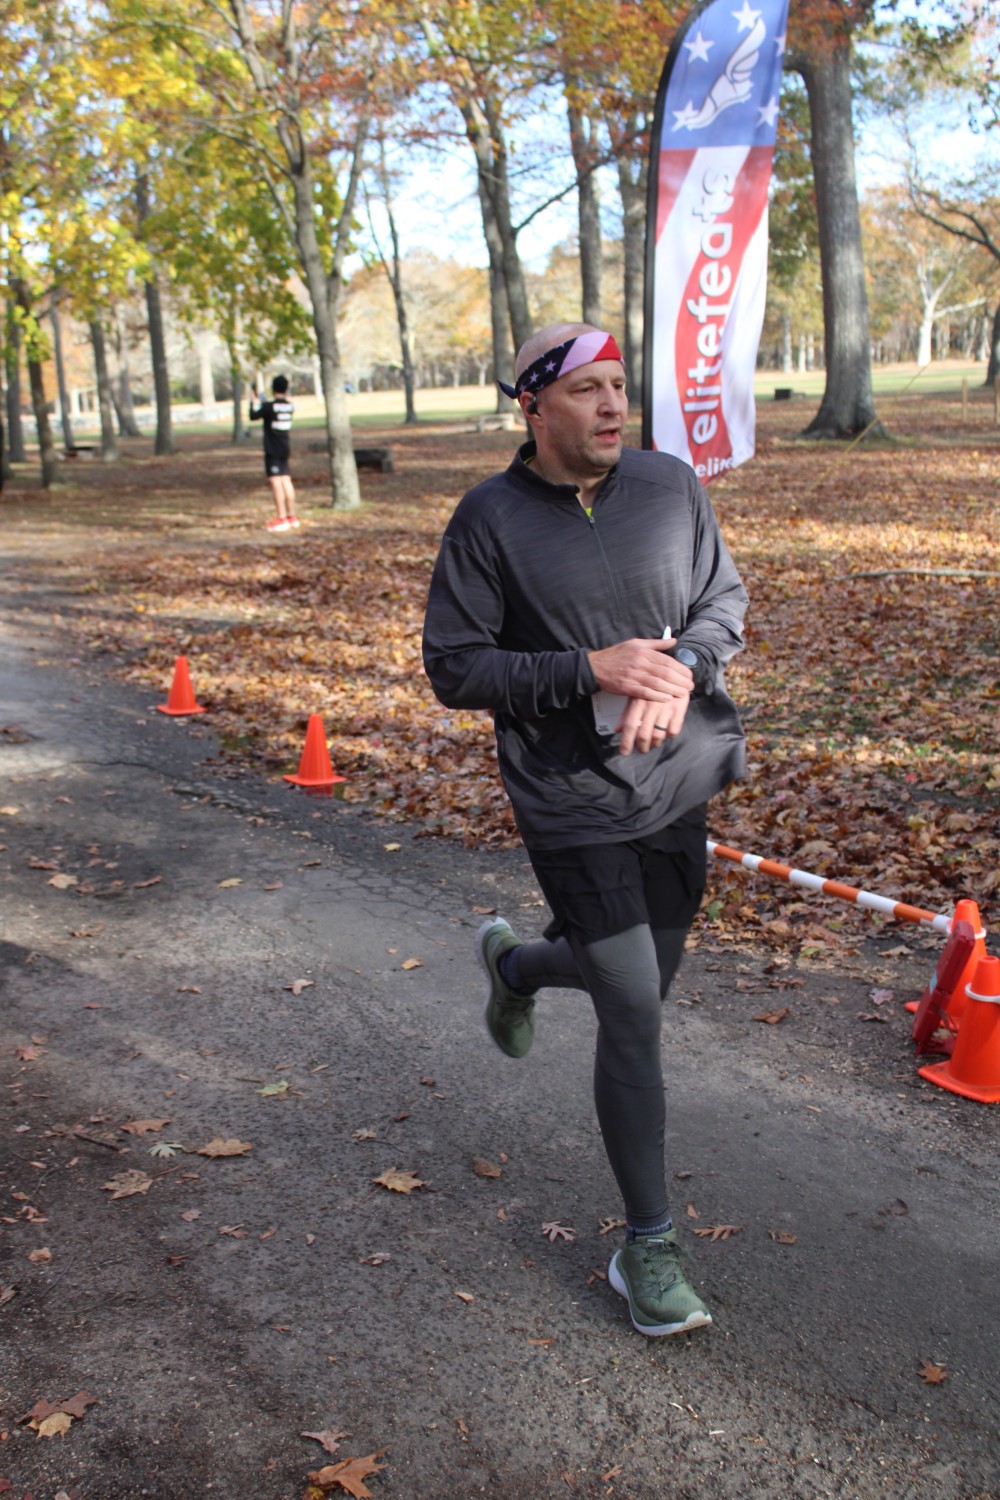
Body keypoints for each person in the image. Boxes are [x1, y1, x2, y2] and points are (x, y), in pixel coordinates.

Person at [422, 322, 748, 1337]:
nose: (613, 405)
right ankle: (646, 1246)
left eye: (618, 385)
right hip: (570, 797)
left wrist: (683, 665)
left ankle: (517, 967)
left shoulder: (668, 486)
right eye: (586, 390)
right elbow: (455, 667)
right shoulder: (489, 519)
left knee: (640, 979)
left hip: (678, 779)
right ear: (533, 406)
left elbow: (722, 600)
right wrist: (590, 669)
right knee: (635, 1010)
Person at [249, 374, 298, 532]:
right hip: (285, 447)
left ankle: (281, 517)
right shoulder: (289, 406)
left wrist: (253, 402)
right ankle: (291, 516)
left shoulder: (269, 406)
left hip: (272, 449)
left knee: (276, 482)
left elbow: (253, 416)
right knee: (286, 480)